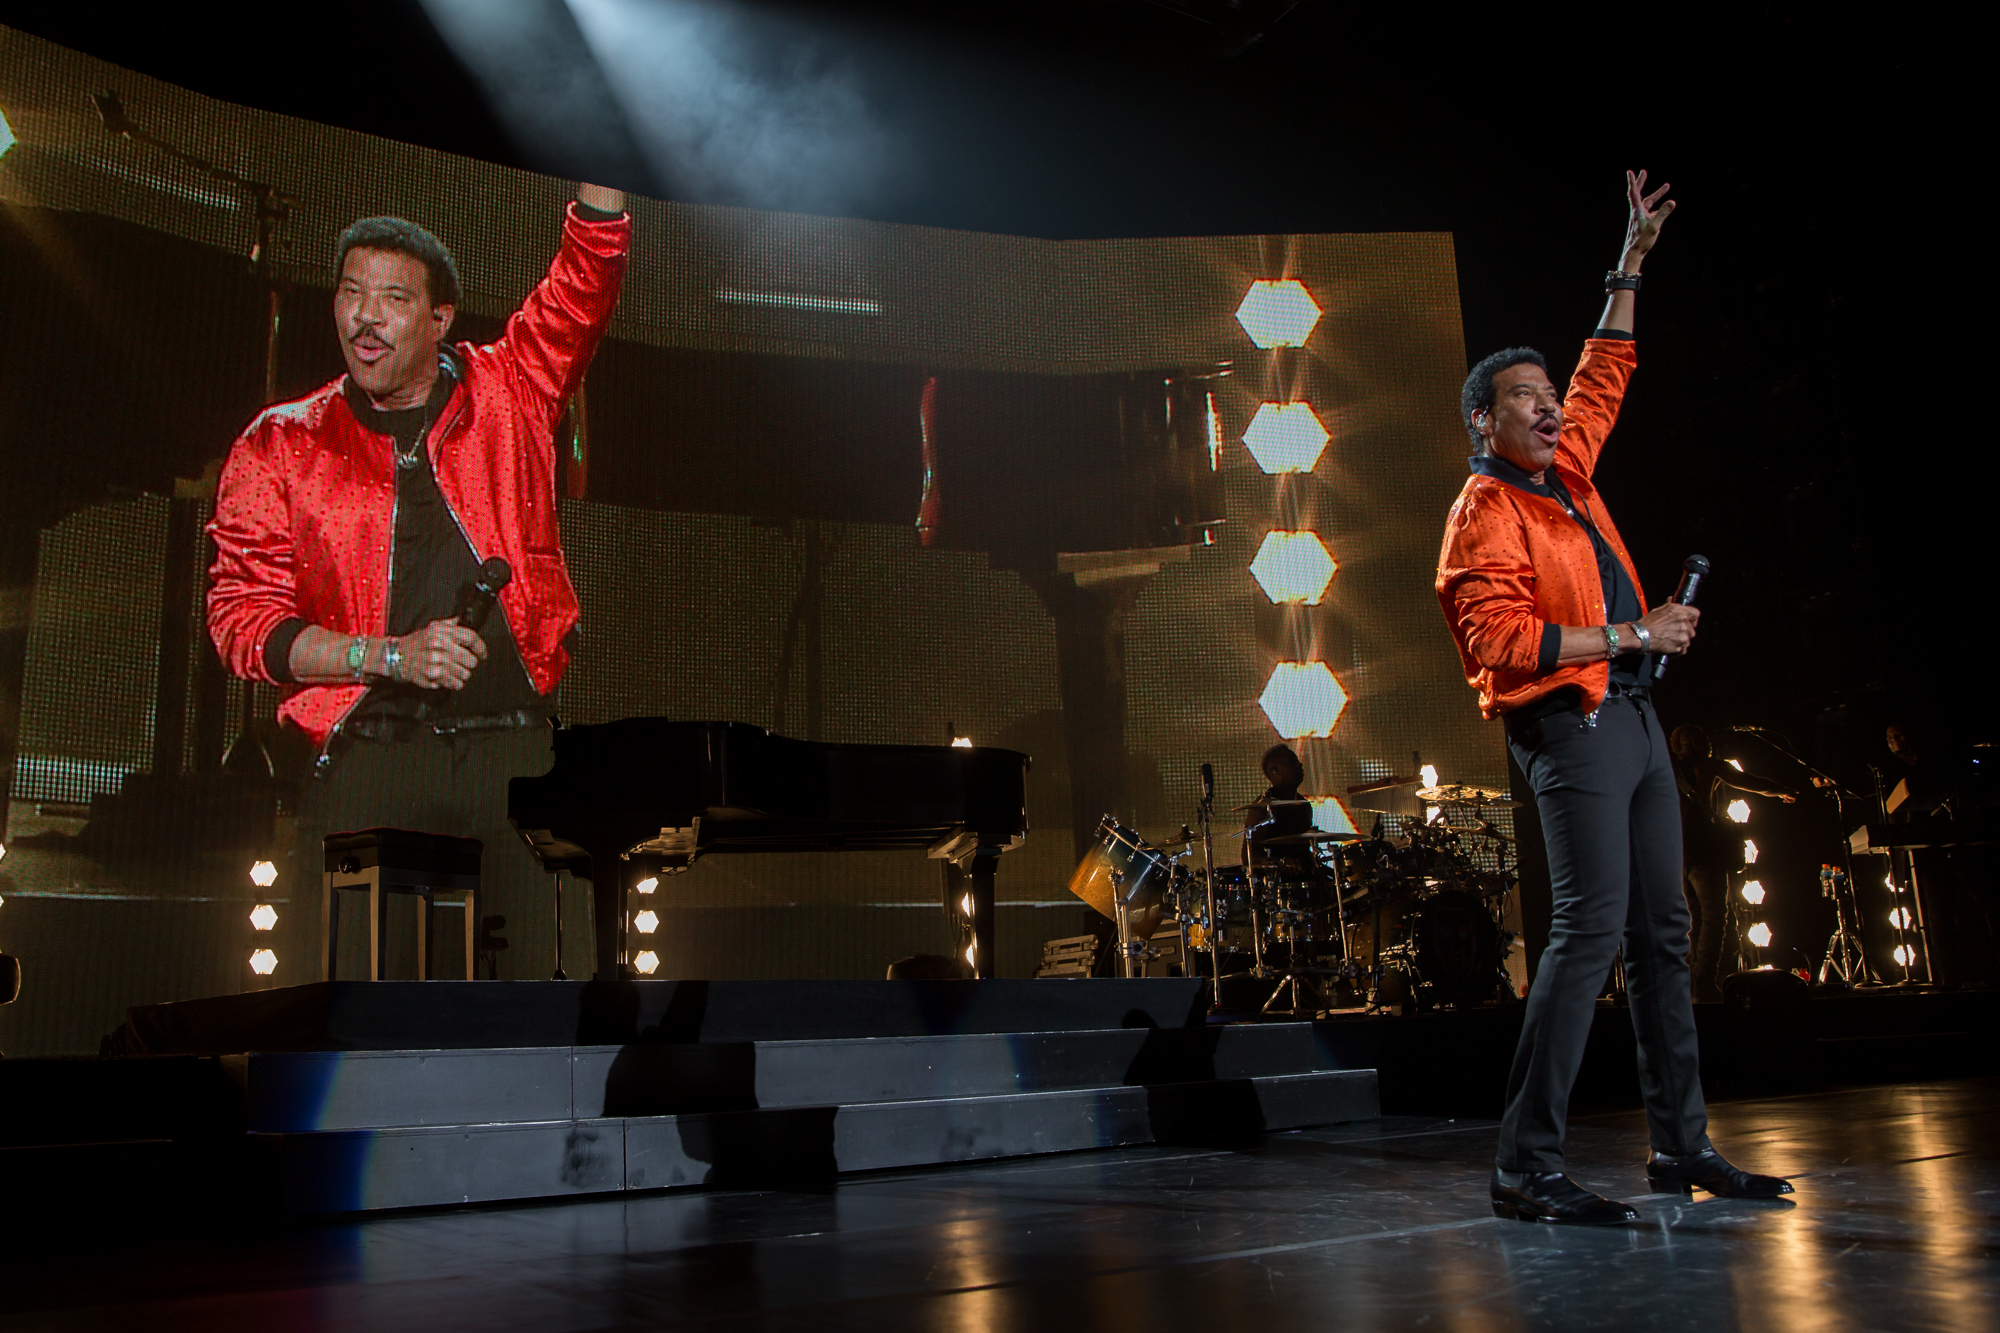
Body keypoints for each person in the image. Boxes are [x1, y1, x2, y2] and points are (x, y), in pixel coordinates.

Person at [1435, 170, 1791, 1224]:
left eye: (1547, 392)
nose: (1549, 404)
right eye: (1524, 395)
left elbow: (1604, 373)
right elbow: (1498, 640)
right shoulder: (1482, 508)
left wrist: (1628, 261)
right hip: (1570, 721)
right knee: (1588, 931)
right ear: (1483, 420)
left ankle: (1680, 1144)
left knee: (1663, 933)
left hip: (1631, 716)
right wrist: (1633, 632)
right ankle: (1523, 1163)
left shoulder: (1568, 475)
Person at [207, 183, 630, 979]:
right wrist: (391, 655)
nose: (364, 318)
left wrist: (603, 188)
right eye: (351, 293)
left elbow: (583, 285)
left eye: (393, 299)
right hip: (371, 758)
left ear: (439, 320)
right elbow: (241, 622)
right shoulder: (280, 446)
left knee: (550, 1003)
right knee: (349, 1008)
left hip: (513, 758)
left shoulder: (509, 390)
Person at [1669, 724, 1796, 1001]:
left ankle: (1689, 984)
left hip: (1676, 855)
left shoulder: (1665, 770)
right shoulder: (1708, 766)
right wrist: (1781, 790)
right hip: (1705, 853)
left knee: (1693, 920)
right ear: (1700, 743)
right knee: (1714, 918)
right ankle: (1704, 982)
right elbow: (1752, 782)